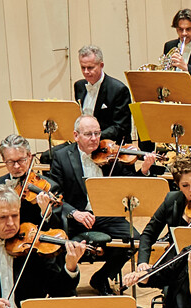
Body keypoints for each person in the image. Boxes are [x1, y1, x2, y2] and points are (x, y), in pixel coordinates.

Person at [38, 114, 139, 294]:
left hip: (105, 214)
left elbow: (129, 181)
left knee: (135, 240)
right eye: (88, 134)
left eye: (97, 133)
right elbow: (54, 193)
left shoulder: (110, 154)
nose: (94, 139)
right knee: (59, 241)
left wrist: (145, 168)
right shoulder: (62, 157)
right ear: (76, 136)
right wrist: (74, 212)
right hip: (75, 218)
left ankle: (101, 278)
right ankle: (66, 285)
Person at [67, 45, 136, 145]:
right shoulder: (79, 86)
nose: (86, 72)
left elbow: (121, 127)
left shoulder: (118, 90)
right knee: (51, 156)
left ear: (101, 65)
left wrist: (91, 137)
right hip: (84, 142)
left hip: (107, 144)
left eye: (90, 67)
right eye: (83, 67)